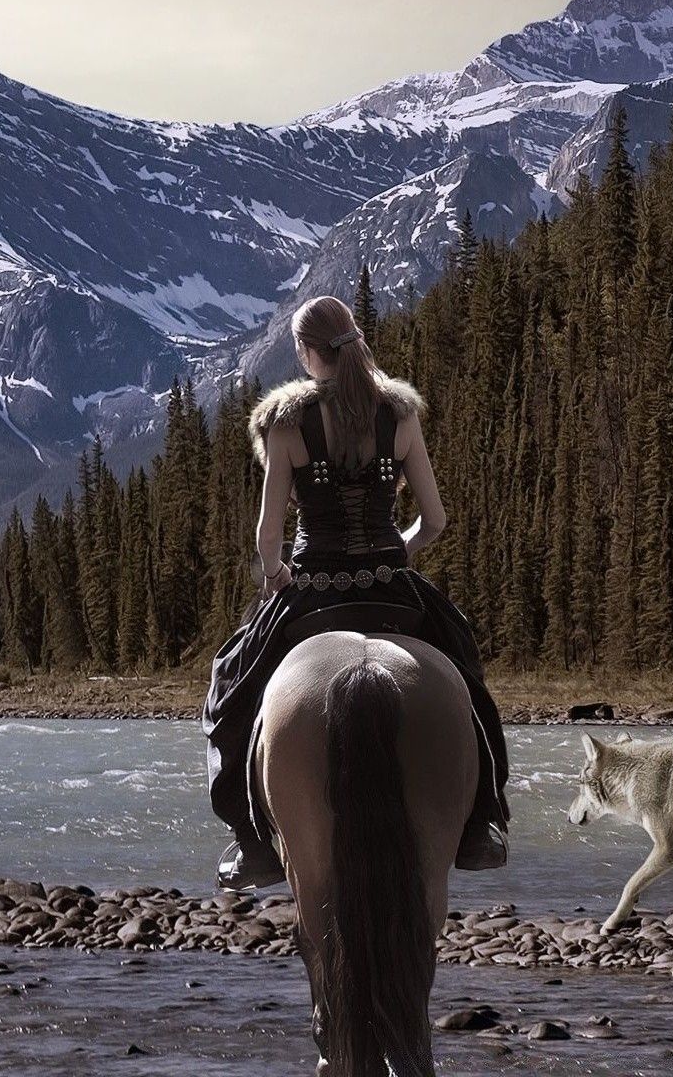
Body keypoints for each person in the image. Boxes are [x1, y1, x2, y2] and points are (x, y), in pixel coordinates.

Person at [202, 294, 510, 891]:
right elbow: (436, 521)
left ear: (306, 352)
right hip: (390, 584)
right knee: (468, 680)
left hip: (310, 588)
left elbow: (268, 539)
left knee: (228, 692)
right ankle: (479, 826)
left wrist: (276, 573)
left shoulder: (285, 424)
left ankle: (251, 844)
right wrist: (395, 557)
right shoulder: (399, 414)